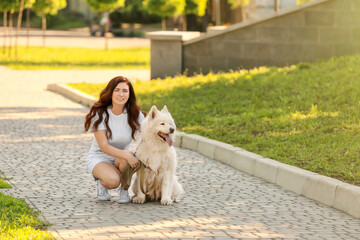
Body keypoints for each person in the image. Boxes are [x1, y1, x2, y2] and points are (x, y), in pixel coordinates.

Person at [84, 76, 145, 203]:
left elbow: (143, 136)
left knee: (128, 159)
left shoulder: (135, 113)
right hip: (101, 156)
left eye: (125, 91)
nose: (121, 94)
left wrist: (129, 153)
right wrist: (126, 155)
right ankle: (102, 183)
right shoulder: (99, 113)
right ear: (110, 93)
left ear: (129, 94)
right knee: (112, 181)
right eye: (117, 90)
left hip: (123, 157)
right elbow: (104, 146)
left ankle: (124, 190)